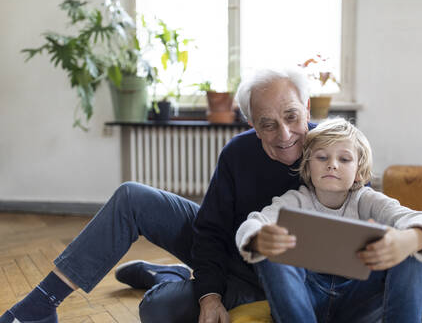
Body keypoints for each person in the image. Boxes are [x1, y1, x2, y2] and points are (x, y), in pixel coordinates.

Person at [0, 68, 315, 323]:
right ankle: (40, 306)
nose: (284, 134)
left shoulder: (336, 151)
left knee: (157, 309)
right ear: (252, 125)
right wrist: (209, 296)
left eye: (291, 116)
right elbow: (210, 230)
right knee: (132, 196)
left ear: (307, 108)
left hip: (273, 284)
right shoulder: (238, 151)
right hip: (227, 254)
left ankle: (165, 275)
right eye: (268, 125)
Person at [235, 118, 422, 323]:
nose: (332, 165)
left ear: (359, 173)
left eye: (344, 159)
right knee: (270, 245)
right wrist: (259, 238)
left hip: (358, 298)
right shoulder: (295, 200)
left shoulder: (367, 199)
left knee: (412, 250)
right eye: (322, 158)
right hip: (305, 298)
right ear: (308, 167)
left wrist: (407, 240)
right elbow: (253, 222)